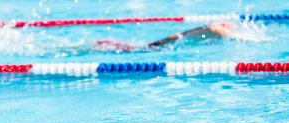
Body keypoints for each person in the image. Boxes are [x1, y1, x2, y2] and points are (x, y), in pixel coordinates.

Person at [64, 23, 234, 54]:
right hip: (157, 46)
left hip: (159, 45)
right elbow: (178, 36)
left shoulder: (214, 33)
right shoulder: (214, 30)